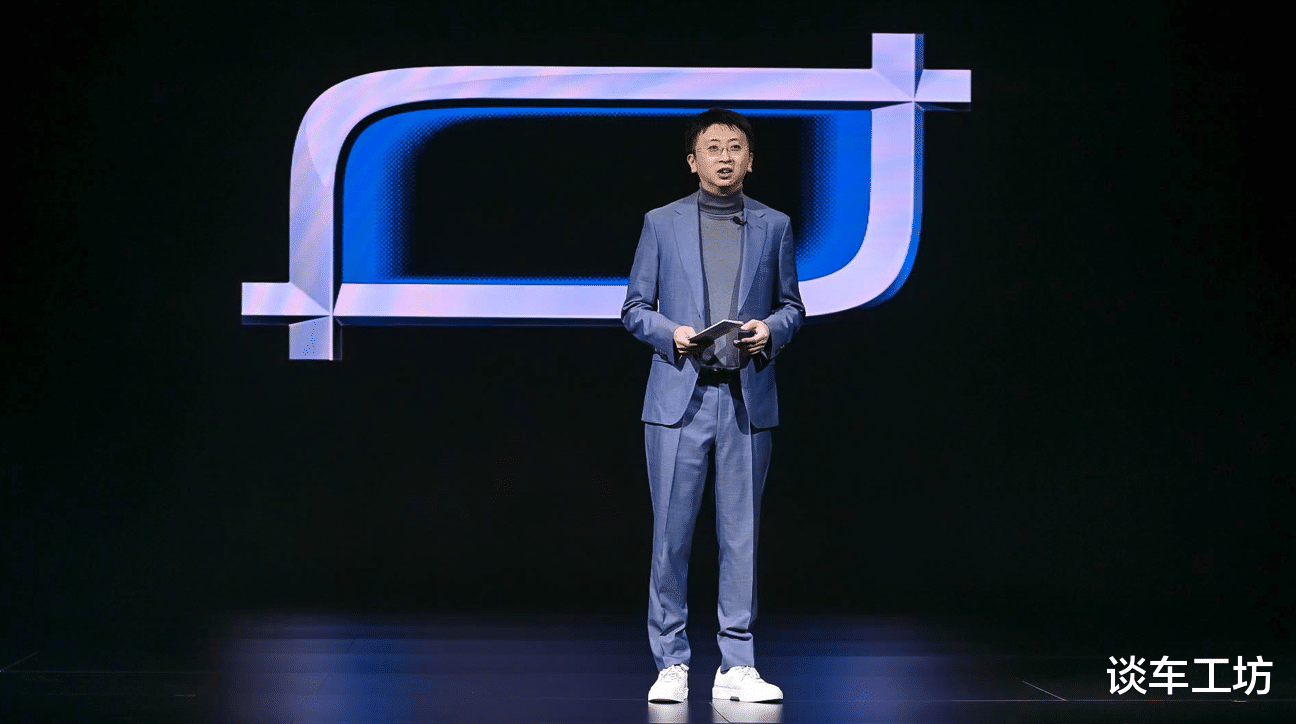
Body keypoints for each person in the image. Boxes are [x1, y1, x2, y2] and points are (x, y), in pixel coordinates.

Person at [622, 108, 804, 704]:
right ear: (692, 160)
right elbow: (634, 308)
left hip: (746, 399)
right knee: (671, 537)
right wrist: (671, 333)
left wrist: (770, 330)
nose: (724, 157)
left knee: (741, 536)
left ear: (751, 160)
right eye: (712, 147)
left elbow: (792, 306)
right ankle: (671, 661)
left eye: (735, 147)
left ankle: (737, 663)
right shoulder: (661, 222)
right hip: (681, 398)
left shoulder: (775, 225)